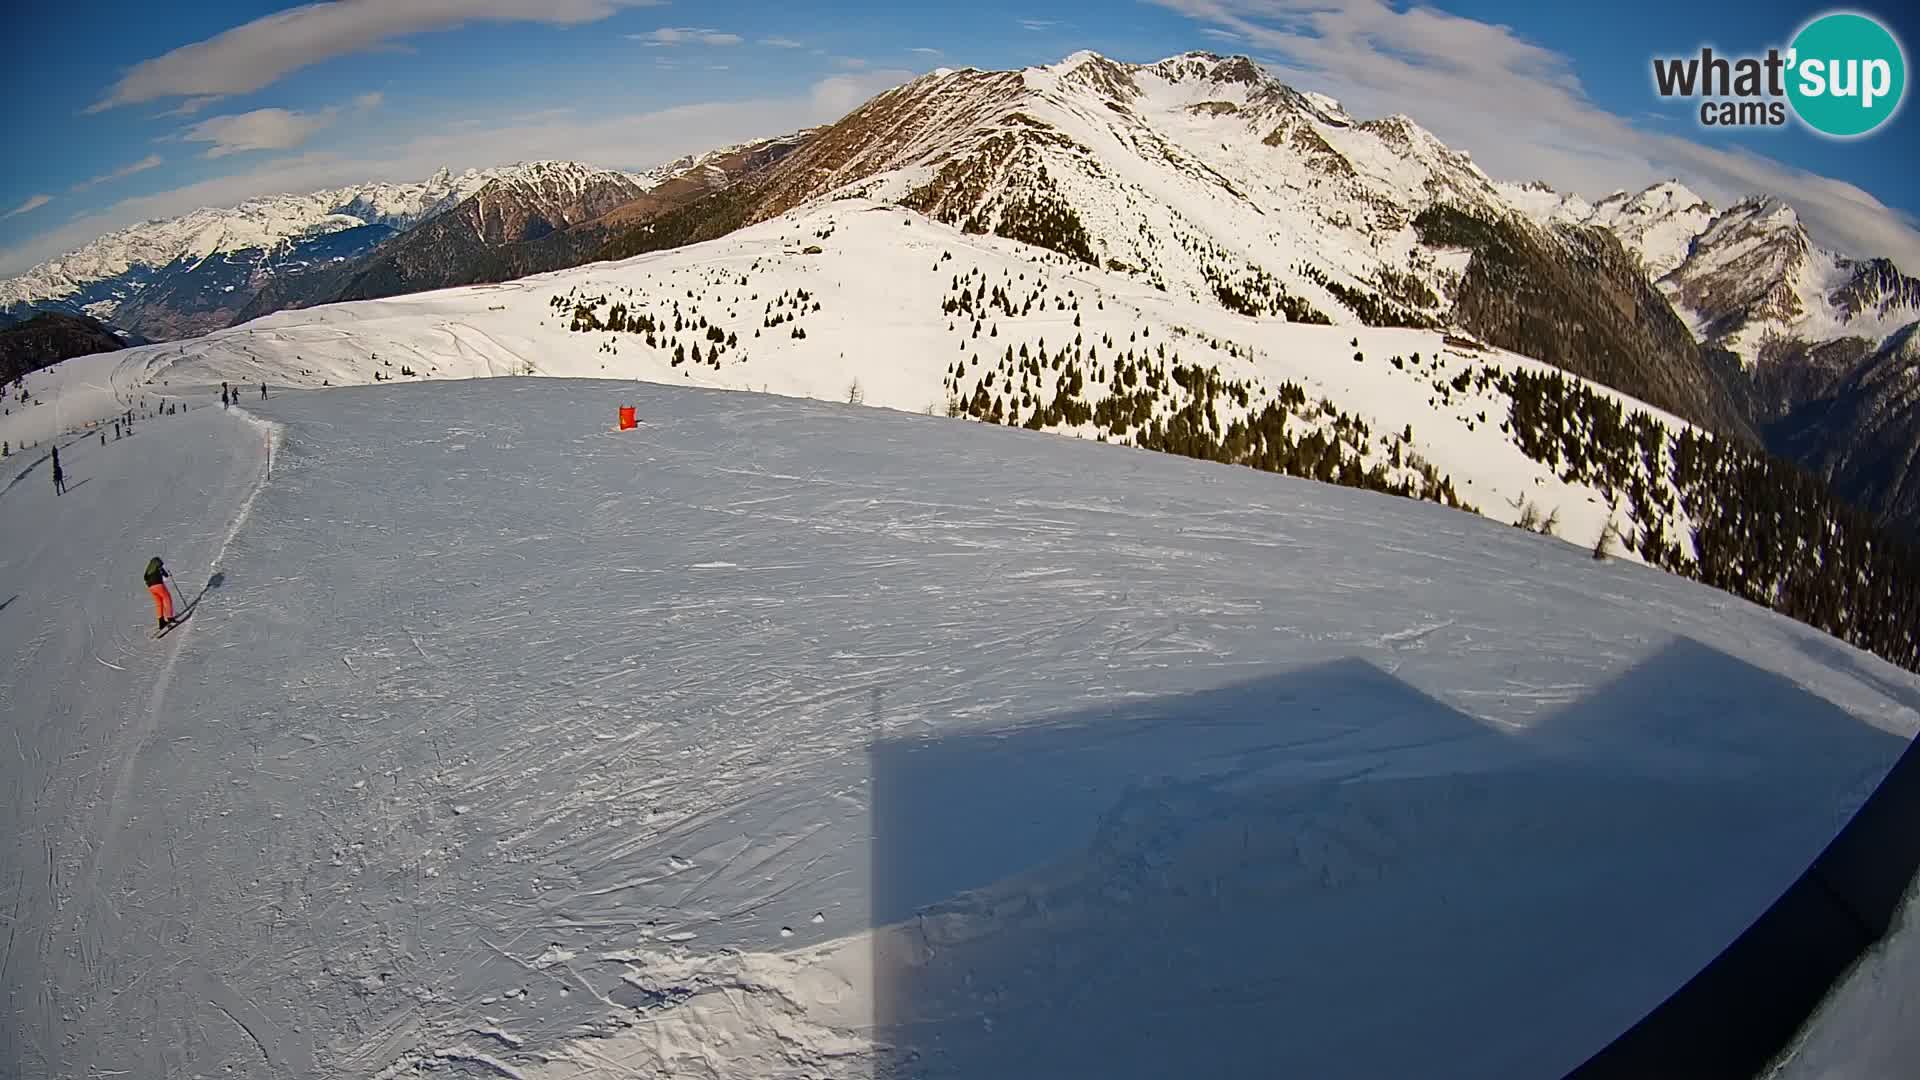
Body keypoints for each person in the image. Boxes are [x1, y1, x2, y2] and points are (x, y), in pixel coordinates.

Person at [144, 556, 175, 631]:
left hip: (150, 587)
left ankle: (161, 622)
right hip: (158, 584)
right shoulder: (158, 564)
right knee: (167, 598)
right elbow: (165, 574)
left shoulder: (148, 569)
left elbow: (145, 578)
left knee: (159, 602)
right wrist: (168, 574)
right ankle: (170, 617)